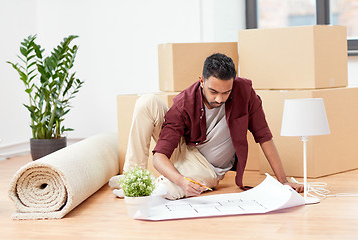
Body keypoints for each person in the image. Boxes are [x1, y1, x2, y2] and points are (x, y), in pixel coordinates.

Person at [111, 53, 303, 200]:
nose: (219, 99)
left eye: (226, 92)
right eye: (213, 91)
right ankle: (132, 178)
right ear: (201, 81)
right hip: (184, 148)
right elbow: (160, 156)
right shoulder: (184, 103)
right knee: (147, 102)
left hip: (207, 168)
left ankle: (148, 186)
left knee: (171, 190)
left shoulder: (246, 94)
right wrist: (180, 180)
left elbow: (264, 137)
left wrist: (284, 181)